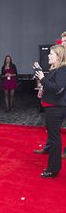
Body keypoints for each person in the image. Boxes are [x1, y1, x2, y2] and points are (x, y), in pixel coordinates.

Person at [34, 44, 66, 178]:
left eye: (51, 54)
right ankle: (53, 167)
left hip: (55, 108)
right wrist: (43, 87)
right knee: (53, 138)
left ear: (59, 57)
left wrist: (42, 78)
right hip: (51, 107)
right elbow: (51, 86)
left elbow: (58, 89)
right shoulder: (55, 69)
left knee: (54, 139)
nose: (48, 55)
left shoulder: (62, 70)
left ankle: (53, 169)